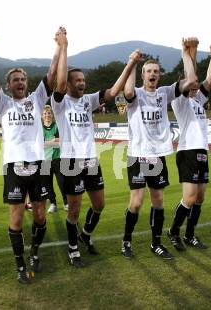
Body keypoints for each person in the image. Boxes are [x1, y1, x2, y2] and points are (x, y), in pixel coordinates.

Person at [52, 35, 139, 266]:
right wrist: (64, 47)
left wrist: (130, 64)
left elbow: (112, 92)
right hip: (70, 161)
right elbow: (59, 82)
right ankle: (73, 250)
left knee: (99, 204)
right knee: (74, 210)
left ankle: (85, 236)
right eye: (77, 80)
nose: (82, 83)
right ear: (68, 83)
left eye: (83, 80)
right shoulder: (59, 102)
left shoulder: (87, 100)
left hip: (90, 160)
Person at [0, 27, 66, 284]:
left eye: (23, 79)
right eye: (15, 80)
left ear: (27, 83)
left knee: (41, 216)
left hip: (39, 164)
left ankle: (34, 252)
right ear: (9, 85)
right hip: (14, 165)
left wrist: (59, 45)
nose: (20, 82)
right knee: (17, 216)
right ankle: (20, 264)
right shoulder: (2, 103)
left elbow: (53, 73)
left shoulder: (36, 99)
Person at [121, 38, 197, 260]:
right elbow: (127, 90)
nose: (152, 74)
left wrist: (185, 53)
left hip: (157, 156)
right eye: (148, 71)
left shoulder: (164, 92)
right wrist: (133, 63)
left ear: (159, 74)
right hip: (138, 155)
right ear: (143, 74)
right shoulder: (136, 95)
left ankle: (156, 243)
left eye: (155, 71)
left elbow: (191, 81)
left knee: (158, 201)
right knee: (136, 202)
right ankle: (126, 241)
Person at [167, 42, 211, 251]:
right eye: (191, 83)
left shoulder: (198, 100)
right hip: (187, 151)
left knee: (199, 198)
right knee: (189, 197)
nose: (196, 85)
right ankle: (173, 231)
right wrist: (185, 53)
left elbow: (208, 78)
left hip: (201, 151)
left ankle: (190, 235)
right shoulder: (179, 101)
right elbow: (192, 77)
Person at [41, 105, 67, 213]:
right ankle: (53, 203)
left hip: (57, 159)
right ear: (42, 116)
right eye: (45, 114)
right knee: (48, 184)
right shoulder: (39, 128)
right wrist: (51, 142)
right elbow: (39, 144)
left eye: (49, 113)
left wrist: (45, 143)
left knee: (62, 182)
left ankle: (66, 203)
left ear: (52, 115)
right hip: (45, 160)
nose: (47, 115)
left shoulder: (57, 126)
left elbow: (57, 143)